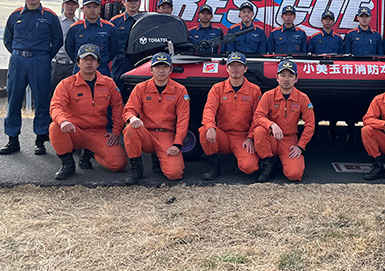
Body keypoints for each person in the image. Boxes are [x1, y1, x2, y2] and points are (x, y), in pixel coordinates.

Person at [1, 0, 63, 156]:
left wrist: (43, 57)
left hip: (40, 61)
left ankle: (40, 139)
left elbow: (57, 41)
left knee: (41, 101)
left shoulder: (50, 16)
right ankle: (12, 140)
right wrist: (18, 54)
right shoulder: (15, 15)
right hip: (18, 61)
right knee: (14, 100)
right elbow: (7, 39)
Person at [49, 44, 127, 180]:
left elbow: (118, 108)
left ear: (98, 63)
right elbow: (55, 106)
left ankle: (91, 152)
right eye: (85, 59)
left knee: (118, 164)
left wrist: (116, 132)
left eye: (93, 59)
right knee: (55, 127)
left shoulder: (108, 83)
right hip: (74, 130)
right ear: (78, 63)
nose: (89, 63)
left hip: (98, 132)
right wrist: (63, 121)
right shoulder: (66, 84)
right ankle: (67, 164)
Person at [121, 52, 190, 184]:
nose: (161, 70)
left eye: (165, 67)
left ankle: (158, 159)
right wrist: (132, 118)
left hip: (166, 135)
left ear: (171, 69)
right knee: (130, 129)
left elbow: (183, 119)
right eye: (158, 67)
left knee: (175, 173)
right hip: (146, 133)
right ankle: (136, 169)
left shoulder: (180, 90)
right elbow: (128, 110)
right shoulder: (140, 88)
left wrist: (177, 143)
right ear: (151, 69)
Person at [199, 51, 261, 180]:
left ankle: (242, 162)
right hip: (222, 134)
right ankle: (214, 167)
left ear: (245, 69)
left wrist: (250, 137)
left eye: (239, 65)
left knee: (250, 168)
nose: (235, 69)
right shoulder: (217, 88)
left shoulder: (254, 90)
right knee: (204, 131)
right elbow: (209, 110)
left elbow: (258, 117)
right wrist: (210, 126)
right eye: (232, 65)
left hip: (242, 137)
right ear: (227, 68)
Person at [252, 59, 315, 182]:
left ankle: (281, 162)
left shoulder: (303, 98)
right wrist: (272, 125)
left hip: (289, 141)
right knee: (259, 131)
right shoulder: (268, 96)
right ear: (277, 78)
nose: (286, 79)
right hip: (271, 138)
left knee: (294, 175)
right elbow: (258, 116)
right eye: (283, 75)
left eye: (290, 76)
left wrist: (300, 146)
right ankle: (268, 163)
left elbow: (310, 125)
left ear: (296, 79)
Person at [64, 0, 119, 77]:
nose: (92, 10)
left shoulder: (109, 28)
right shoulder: (75, 28)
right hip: (80, 69)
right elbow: (69, 48)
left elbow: (114, 49)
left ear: (99, 9)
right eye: (88, 7)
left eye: (95, 7)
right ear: (83, 9)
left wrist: (100, 61)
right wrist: (81, 62)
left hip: (102, 69)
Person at [51, 0, 80, 95]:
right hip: (57, 64)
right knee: (53, 93)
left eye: (73, 4)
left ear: (77, 6)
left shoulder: (80, 24)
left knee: (71, 94)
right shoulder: (55, 21)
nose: (70, 7)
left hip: (73, 64)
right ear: (63, 5)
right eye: (68, 4)